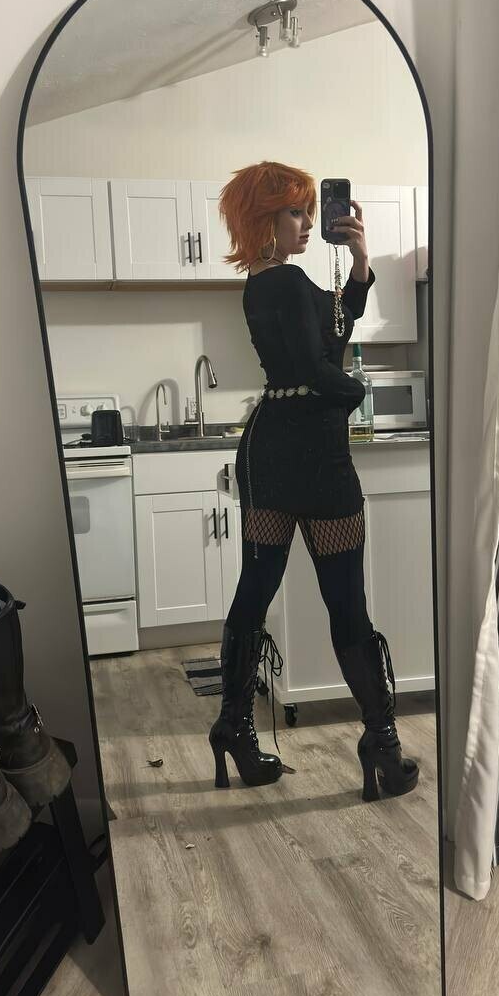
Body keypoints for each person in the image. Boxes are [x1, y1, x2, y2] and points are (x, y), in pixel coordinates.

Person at [208, 161, 419, 803]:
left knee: (256, 590)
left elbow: (333, 331)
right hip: (314, 458)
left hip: (272, 452)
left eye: (307, 211)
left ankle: (233, 726)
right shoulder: (285, 281)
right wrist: (358, 392)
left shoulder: (267, 284)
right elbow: (316, 368)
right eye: (295, 213)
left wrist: (360, 264)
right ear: (264, 220)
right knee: (345, 601)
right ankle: (381, 744)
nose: (306, 223)